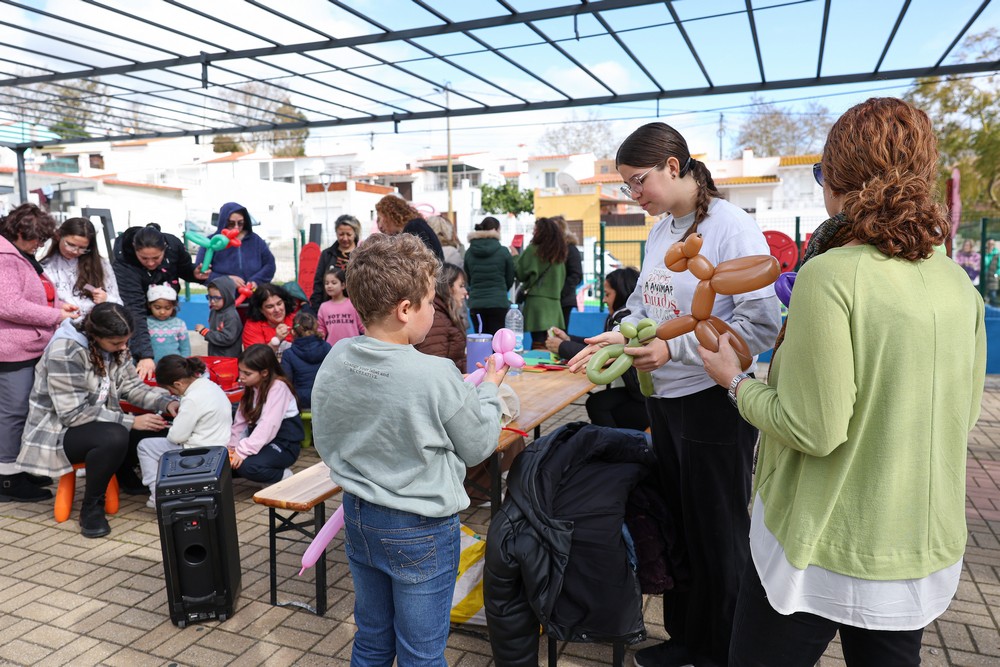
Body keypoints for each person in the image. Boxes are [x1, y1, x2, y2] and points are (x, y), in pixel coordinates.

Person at [698, 97, 987, 667]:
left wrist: (737, 382)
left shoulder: (828, 275)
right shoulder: (958, 284)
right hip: (915, 547)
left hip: (820, 544)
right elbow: (965, 412)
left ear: (838, 180)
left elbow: (814, 427)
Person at [567, 121, 781, 667]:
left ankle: (720, 651)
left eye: (640, 182)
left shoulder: (733, 228)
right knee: (679, 527)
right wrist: (622, 332)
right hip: (664, 401)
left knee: (718, 534)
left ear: (674, 166)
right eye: (627, 186)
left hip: (711, 404)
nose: (634, 195)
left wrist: (676, 353)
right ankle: (686, 640)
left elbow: (759, 327)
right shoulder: (663, 228)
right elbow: (646, 302)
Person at [312, 233, 506, 665]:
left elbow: (326, 434)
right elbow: (478, 446)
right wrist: (490, 391)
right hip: (420, 527)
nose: (433, 312)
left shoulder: (339, 355)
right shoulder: (434, 373)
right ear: (405, 310)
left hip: (360, 514)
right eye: (430, 303)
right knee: (421, 652)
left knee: (372, 640)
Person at [18, 303, 178, 537]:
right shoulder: (65, 350)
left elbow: (131, 387)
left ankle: (127, 475)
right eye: (116, 343)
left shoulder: (116, 345)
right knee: (115, 435)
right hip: (56, 433)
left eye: (126, 341)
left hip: (99, 423)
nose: (123, 347)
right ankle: (92, 507)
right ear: (95, 334)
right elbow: (72, 413)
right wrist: (131, 422)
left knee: (162, 428)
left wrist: (166, 403)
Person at [0, 203, 80, 502]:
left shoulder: (17, 254)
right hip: (12, 350)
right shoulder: (5, 259)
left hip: (27, 345)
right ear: (21, 233)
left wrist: (59, 306)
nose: (40, 246)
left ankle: (18, 467)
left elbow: (36, 295)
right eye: (38, 240)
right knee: (14, 414)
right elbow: (8, 305)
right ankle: (6, 479)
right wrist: (54, 316)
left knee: (26, 411)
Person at [547, 267, 648, 432]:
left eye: (607, 294)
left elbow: (606, 352)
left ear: (622, 293)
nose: (604, 300)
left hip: (644, 400)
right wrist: (568, 339)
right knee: (597, 403)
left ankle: (615, 445)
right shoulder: (622, 317)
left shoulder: (625, 320)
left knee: (598, 406)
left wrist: (562, 347)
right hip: (637, 394)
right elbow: (602, 344)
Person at [113, 223, 207, 380]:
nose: (150, 263)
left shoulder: (174, 246)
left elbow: (184, 268)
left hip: (167, 311)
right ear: (135, 250)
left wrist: (194, 273)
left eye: (156, 258)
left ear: (165, 249)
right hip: (141, 323)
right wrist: (144, 355)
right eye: (144, 258)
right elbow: (134, 309)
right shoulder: (124, 263)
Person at [137, 355, 233, 507]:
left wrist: (171, 426)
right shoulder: (210, 386)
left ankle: (157, 495)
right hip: (220, 447)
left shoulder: (192, 399)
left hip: (199, 450)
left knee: (145, 446)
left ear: (178, 384)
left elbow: (176, 437)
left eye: (170, 389)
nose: (170, 394)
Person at [228, 344, 303, 485]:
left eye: (247, 373)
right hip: (262, 442)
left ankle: (283, 476)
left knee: (247, 466)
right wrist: (232, 448)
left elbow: (268, 425)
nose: (241, 377)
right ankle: (265, 469)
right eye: (240, 371)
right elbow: (240, 422)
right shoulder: (251, 387)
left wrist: (243, 451)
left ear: (264, 373)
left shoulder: (278, 387)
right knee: (226, 465)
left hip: (284, 444)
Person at [41, 216, 121, 317]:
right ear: (58, 236)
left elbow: (119, 303)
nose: (75, 251)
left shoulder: (100, 264)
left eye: (82, 248)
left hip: (97, 324)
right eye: (70, 244)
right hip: (62, 325)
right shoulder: (45, 267)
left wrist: (106, 299)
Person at [512, 217, 567, 349]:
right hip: (554, 304)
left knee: (538, 342)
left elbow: (520, 274)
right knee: (552, 344)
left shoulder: (533, 250)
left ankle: (536, 366)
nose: (533, 232)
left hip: (536, 303)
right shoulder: (559, 252)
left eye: (535, 230)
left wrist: (514, 256)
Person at [195, 202, 276, 287]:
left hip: (253, 294)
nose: (236, 227)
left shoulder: (256, 240)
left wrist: (256, 281)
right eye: (231, 223)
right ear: (224, 222)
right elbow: (200, 272)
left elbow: (269, 264)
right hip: (222, 296)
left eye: (240, 223)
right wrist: (226, 280)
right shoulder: (211, 242)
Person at [465, 216, 514, 335]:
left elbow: (468, 278)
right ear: (496, 230)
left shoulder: (469, 252)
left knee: (480, 340)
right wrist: (500, 289)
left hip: (476, 303)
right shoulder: (503, 251)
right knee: (497, 341)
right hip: (498, 302)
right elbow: (510, 278)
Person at [415, 263, 469, 372]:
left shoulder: (444, 314)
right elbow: (434, 370)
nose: (465, 292)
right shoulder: (436, 318)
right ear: (448, 288)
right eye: (461, 286)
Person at [310, 214, 362, 311]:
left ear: (355, 234)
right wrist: (316, 308)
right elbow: (318, 283)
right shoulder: (327, 255)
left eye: (349, 234)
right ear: (336, 233)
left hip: (356, 308)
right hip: (330, 309)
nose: (345, 238)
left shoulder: (362, 254)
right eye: (341, 234)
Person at [279, 311, 331, 410]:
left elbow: (287, 382)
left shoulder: (288, 354)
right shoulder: (327, 347)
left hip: (300, 402)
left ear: (293, 332)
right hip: (325, 399)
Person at [374, 194, 444, 260]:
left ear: (389, 216)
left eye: (380, 219)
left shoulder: (414, 227)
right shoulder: (415, 225)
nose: (379, 226)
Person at [242, 282, 296, 357]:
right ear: (261, 310)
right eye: (270, 306)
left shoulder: (295, 319)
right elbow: (255, 359)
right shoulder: (252, 326)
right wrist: (276, 340)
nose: (277, 310)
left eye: (279, 303)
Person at [195, 276, 243, 358]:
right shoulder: (215, 311)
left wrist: (205, 332)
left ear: (227, 296)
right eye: (209, 297)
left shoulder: (231, 316)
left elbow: (227, 338)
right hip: (215, 354)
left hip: (228, 358)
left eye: (217, 298)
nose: (212, 301)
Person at [316, 268, 365, 346]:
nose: (329, 286)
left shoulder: (352, 304)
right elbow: (321, 328)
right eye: (327, 283)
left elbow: (362, 326)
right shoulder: (323, 307)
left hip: (353, 347)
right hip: (332, 349)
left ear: (343, 285)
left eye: (334, 283)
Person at [553, 216, 584, 331]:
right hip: (556, 298)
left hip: (564, 300)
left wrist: (561, 292)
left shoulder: (570, 249)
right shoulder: (553, 249)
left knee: (559, 332)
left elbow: (576, 275)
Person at [146, 284, 190, 362]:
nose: (162, 312)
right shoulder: (145, 323)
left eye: (167, 308)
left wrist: (184, 364)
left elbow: (185, 348)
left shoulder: (179, 324)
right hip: (150, 368)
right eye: (157, 308)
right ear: (150, 305)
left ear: (173, 306)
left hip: (173, 367)